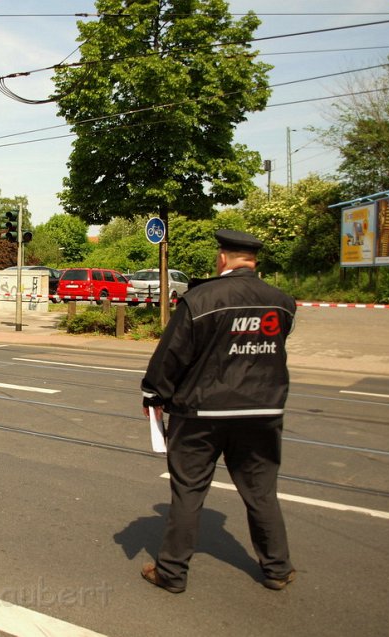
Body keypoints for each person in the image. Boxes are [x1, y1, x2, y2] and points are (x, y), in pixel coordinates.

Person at [139, 229, 297, 594]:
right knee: (261, 491)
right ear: (253, 261)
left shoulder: (200, 299)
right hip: (262, 410)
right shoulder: (282, 302)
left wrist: (153, 394)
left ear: (222, 258)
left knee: (189, 491)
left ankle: (172, 573)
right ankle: (277, 569)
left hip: (201, 413)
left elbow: (171, 355)